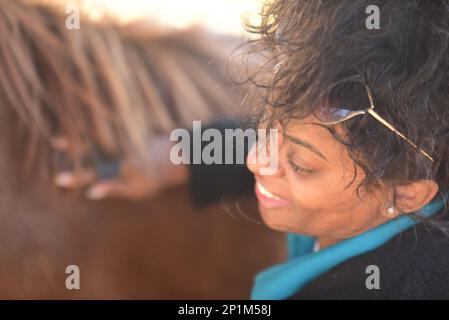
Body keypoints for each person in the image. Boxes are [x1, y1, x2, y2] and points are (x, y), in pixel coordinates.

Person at [55, 0, 449, 299]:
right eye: (267, 125)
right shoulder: (406, 152)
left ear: (408, 193)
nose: (252, 159)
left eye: (299, 165)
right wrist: (182, 156)